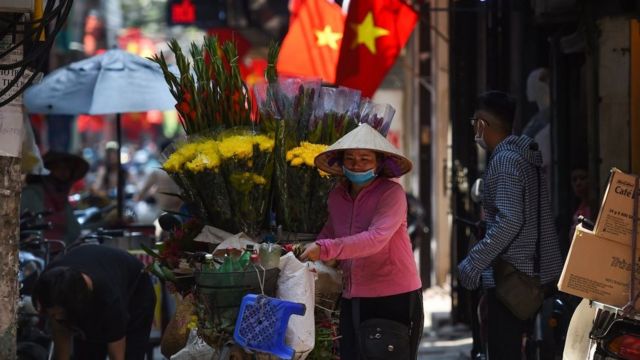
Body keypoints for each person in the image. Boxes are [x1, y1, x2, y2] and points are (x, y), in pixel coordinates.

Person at [299, 123, 423, 360]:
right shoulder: (337, 196)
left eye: (365, 159)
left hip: (393, 296)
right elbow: (330, 230)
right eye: (351, 158)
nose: (357, 165)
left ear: (379, 163)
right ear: (341, 162)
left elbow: (375, 239)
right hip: (353, 296)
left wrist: (324, 249)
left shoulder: (392, 193)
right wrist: (304, 252)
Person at [457, 91, 563, 359]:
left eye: (474, 124)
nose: (474, 131)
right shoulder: (522, 156)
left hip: (512, 279)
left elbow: (510, 220)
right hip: (531, 273)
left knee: (505, 351)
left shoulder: (505, 161)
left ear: (482, 124)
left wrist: (474, 262)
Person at [32, 244, 156, 360]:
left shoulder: (108, 300)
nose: (57, 317)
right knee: (86, 352)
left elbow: (117, 355)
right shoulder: (47, 286)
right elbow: (61, 337)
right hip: (92, 280)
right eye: (53, 314)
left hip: (136, 291)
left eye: (60, 313)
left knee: (131, 354)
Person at [21, 151, 89, 244]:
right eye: (59, 168)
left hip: (62, 255)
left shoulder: (63, 201)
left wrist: (108, 222)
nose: (64, 172)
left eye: (68, 169)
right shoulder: (31, 194)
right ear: (48, 169)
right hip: (36, 255)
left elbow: (76, 232)